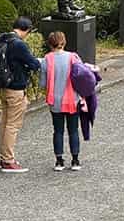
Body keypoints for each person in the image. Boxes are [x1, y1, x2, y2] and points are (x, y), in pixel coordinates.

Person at [41, 28, 100, 171]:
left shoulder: (46, 60)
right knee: (73, 130)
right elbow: (82, 76)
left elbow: (42, 83)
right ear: (64, 42)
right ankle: (75, 160)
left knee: (58, 131)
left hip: (55, 101)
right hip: (73, 99)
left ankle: (59, 161)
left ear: (50, 44)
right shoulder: (73, 57)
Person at [0, 15, 42, 174]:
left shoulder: (1, 39)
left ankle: (4, 158)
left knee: (5, 123)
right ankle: (8, 161)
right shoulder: (19, 44)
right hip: (16, 88)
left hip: (4, 86)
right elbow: (33, 64)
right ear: (26, 30)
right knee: (13, 125)